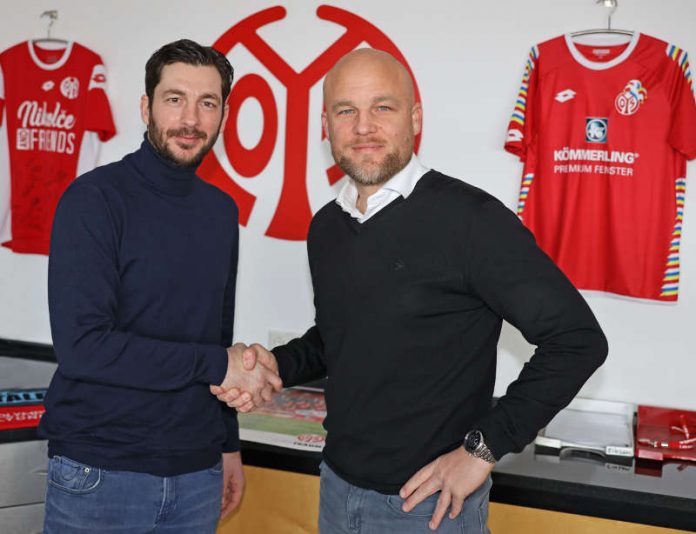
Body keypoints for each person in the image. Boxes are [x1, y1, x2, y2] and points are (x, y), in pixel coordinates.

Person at [214, 48, 608, 533]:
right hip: (336, 491)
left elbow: (578, 340)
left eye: (383, 107)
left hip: (429, 509)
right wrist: (278, 364)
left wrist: (482, 450)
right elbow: (340, 336)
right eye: (346, 110)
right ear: (325, 124)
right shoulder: (328, 227)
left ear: (415, 118)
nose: (363, 127)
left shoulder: (471, 221)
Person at [40, 39, 280, 533]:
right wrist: (220, 365)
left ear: (224, 114)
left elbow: (217, 335)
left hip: (197, 472)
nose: (190, 119)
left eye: (207, 103)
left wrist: (227, 445)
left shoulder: (220, 212)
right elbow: (84, 347)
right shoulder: (94, 200)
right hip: (102, 472)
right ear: (147, 106)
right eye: (175, 99)